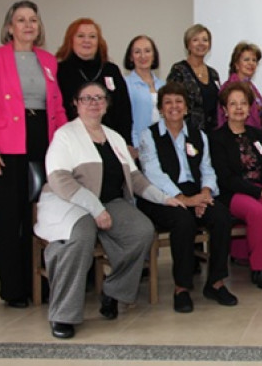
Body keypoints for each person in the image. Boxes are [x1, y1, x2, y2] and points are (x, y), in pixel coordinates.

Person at [37, 82, 185, 340]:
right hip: (69, 202)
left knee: (142, 231)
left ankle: (113, 292)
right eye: (87, 98)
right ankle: (63, 314)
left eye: (99, 98)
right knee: (80, 235)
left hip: (109, 202)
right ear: (76, 103)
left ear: (106, 103)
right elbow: (60, 180)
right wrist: (94, 209)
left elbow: (136, 179)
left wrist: (164, 198)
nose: (94, 103)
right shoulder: (65, 135)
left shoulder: (114, 137)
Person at [0, 0, 67, 308]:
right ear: (9, 27)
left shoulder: (49, 60)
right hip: (5, 148)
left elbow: (58, 108)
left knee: (41, 217)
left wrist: (68, 143)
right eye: (21, 20)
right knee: (7, 220)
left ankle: (40, 283)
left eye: (33, 20)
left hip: (42, 143)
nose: (28, 25)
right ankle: (14, 289)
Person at [137, 82, 237, 312]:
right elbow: (153, 173)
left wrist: (204, 194)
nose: (174, 107)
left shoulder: (198, 135)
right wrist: (183, 199)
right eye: (168, 102)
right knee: (183, 221)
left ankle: (216, 282)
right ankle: (182, 287)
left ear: (187, 107)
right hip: (160, 195)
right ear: (161, 108)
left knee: (221, 216)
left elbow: (207, 169)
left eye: (179, 102)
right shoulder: (149, 135)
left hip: (195, 191)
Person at [211, 82, 262, 291]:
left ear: (250, 108)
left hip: (260, 188)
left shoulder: (257, 135)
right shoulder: (217, 138)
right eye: (233, 104)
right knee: (258, 213)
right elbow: (225, 178)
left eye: (243, 103)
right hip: (233, 193)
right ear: (224, 109)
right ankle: (259, 269)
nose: (239, 108)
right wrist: (259, 191)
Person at [56, 18, 134, 147]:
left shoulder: (111, 70)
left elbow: (124, 110)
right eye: (81, 36)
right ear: (71, 40)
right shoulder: (61, 71)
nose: (87, 40)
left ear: (99, 42)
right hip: (74, 142)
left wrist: (126, 143)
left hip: (111, 142)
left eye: (92, 36)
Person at [166, 24, 221, 133]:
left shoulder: (213, 73)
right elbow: (172, 103)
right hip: (188, 133)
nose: (201, 44)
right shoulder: (179, 70)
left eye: (205, 40)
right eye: (195, 40)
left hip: (212, 134)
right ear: (188, 45)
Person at [123, 35, 165, 157]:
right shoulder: (125, 84)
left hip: (161, 146)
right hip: (137, 148)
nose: (143, 56)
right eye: (137, 52)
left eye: (147, 51)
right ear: (131, 57)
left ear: (154, 55)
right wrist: (132, 145)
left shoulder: (163, 85)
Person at [217, 41, 262, 132]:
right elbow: (222, 119)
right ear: (236, 64)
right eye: (246, 60)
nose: (251, 63)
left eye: (254, 60)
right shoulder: (228, 87)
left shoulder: (251, 87)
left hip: (254, 135)